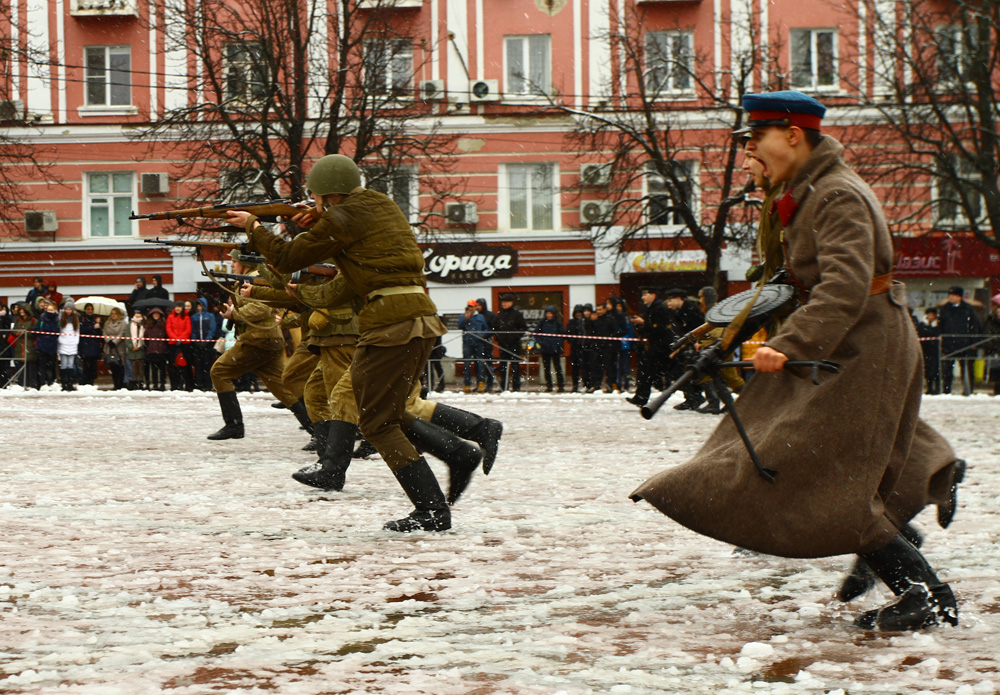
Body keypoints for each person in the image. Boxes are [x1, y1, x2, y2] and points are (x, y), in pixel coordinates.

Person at [631, 91, 964, 631]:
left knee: (824, 471)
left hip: (865, 346)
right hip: (846, 345)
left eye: (755, 140)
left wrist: (789, 345)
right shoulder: (808, 191)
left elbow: (846, 285)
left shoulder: (836, 195)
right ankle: (922, 581)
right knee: (824, 467)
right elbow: (795, 281)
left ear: (792, 134)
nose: (749, 153)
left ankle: (923, 594)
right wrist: (727, 326)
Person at [231, 153, 479, 532]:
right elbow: (345, 264)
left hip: (390, 324)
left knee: (377, 423)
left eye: (315, 197)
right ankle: (456, 451)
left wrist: (253, 225)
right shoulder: (380, 206)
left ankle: (433, 507)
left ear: (327, 194)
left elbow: (285, 256)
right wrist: (317, 227)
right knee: (384, 411)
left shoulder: (342, 217)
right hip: (417, 319)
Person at [205, 256, 307, 440]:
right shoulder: (250, 279)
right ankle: (319, 431)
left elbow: (263, 309)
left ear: (243, 262)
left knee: (219, 372)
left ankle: (234, 424)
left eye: (234, 261)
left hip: (258, 339)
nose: (232, 265)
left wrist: (234, 313)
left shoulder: (256, 279)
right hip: (266, 339)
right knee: (282, 388)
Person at [627, 287, 676, 407]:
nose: (642, 298)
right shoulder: (650, 308)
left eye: (645, 295)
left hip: (661, 346)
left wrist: (643, 323)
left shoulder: (659, 309)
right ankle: (640, 397)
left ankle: (693, 396)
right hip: (653, 345)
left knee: (669, 372)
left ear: (653, 295)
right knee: (644, 372)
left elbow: (659, 327)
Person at [663, 288, 705, 410]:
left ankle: (694, 398)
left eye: (670, 300)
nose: (668, 303)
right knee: (679, 372)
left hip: (692, 347)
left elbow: (698, 328)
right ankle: (691, 397)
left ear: (678, 298)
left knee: (689, 373)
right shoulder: (677, 311)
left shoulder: (691, 310)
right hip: (683, 346)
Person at [937, 286, 981, 396]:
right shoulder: (945, 309)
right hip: (949, 344)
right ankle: (946, 390)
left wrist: (973, 342)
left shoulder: (968, 309)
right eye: (950, 295)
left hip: (964, 344)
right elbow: (941, 326)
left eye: (953, 295)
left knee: (966, 368)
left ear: (959, 297)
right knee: (947, 369)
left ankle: (968, 390)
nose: (951, 297)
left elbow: (975, 326)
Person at [493, 293, 527, 392]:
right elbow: (495, 328)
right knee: (503, 366)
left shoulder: (517, 314)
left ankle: (516, 387)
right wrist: (499, 338)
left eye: (506, 302)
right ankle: (504, 387)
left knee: (515, 366)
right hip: (503, 344)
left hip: (514, 344)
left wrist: (514, 337)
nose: (504, 304)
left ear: (511, 303)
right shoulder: (500, 315)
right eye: (503, 302)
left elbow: (523, 328)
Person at [459, 299, 492, 393]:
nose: (470, 308)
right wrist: (465, 319)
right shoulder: (463, 316)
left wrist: (482, 335)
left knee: (480, 363)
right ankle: (467, 384)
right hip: (467, 343)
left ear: (475, 307)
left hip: (478, 343)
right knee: (467, 364)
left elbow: (486, 329)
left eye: (472, 306)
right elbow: (460, 326)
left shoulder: (480, 317)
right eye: (469, 306)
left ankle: (481, 383)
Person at [533, 306, 565, 392]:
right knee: (546, 368)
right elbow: (536, 333)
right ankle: (549, 385)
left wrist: (558, 344)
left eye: (550, 313)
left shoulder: (558, 323)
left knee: (558, 367)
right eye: (547, 313)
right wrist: (541, 343)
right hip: (545, 348)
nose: (548, 315)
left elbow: (562, 335)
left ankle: (561, 385)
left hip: (555, 348)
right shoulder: (542, 323)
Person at [189, 297, 218, 390]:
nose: (199, 307)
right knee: (198, 364)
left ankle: (208, 384)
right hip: (197, 344)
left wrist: (207, 339)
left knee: (207, 364)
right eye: (198, 306)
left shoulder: (210, 316)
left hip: (207, 344)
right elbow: (192, 330)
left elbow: (212, 329)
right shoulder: (194, 317)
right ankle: (199, 384)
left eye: (201, 305)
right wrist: (195, 340)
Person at [165, 301, 193, 391]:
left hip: (184, 344)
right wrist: (176, 339)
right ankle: (175, 385)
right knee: (173, 364)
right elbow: (168, 329)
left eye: (179, 307)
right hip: (173, 344)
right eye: (176, 307)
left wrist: (181, 339)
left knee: (186, 364)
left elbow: (188, 330)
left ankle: (188, 385)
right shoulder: (170, 317)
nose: (177, 309)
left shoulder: (187, 317)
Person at [11, 304, 39, 389]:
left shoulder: (33, 320)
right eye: (20, 310)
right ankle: (22, 384)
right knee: (20, 367)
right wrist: (17, 333)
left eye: (23, 310)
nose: (21, 311)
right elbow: (13, 331)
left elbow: (36, 332)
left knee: (31, 367)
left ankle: (32, 384)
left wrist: (27, 332)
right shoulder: (17, 320)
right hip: (20, 346)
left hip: (30, 345)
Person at [35, 300, 60, 387]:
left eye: (51, 310)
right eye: (48, 310)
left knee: (51, 365)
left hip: (52, 346)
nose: (50, 312)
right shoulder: (42, 318)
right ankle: (42, 382)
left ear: (55, 310)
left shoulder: (57, 319)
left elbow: (58, 331)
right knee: (42, 365)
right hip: (42, 346)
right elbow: (36, 329)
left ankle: (51, 382)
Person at [102, 307, 128, 390]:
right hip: (109, 347)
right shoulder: (107, 323)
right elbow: (104, 332)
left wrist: (115, 341)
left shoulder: (123, 323)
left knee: (120, 366)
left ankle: (120, 383)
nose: (113, 315)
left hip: (119, 347)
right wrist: (109, 341)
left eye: (115, 313)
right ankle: (115, 383)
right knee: (113, 366)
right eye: (112, 313)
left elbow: (122, 333)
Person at [57, 299, 80, 391]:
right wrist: (61, 340)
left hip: (72, 344)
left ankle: (70, 383)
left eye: (70, 309)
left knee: (70, 365)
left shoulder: (75, 319)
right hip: (63, 343)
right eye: (66, 309)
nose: (68, 311)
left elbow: (77, 332)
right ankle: (64, 384)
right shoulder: (61, 318)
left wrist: (75, 341)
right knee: (64, 364)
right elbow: (59, 332)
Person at [78, 303, 103, 386]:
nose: (90, 311)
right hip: (85, 345)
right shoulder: (82, 319)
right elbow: (81, 330)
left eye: (91, 309)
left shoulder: (95, 319)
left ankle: (91, 382)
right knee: (86, 365)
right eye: (88, 309)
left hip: (94, 345)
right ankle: (85, 382)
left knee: (93, 366)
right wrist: (93, 326)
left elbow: (100, 333)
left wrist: (99, 324)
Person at [144, 307, 169, 390]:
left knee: (162, 369)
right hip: (152, 350)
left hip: (162, 350)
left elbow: (166, 336)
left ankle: (162, 384)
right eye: (154, 314)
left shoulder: (164, 324)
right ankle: (155, 384)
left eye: (157, 314)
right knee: (154, 369)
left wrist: (164, 345)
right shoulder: (148, 325)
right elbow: (146, 337)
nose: (156, 315)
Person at [565, 305, 587, 392]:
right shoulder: (571, 322)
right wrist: (573, 341)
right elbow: (568, 334)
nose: (578, 314)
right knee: (575, 369)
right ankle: (575, 386)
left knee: (585, 368)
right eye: (577, 313)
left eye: (580, 312)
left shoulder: (585, 322)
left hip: (584, 348)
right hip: (574, 348)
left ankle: (586, 384)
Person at [919, 308, 942, 394]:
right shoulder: (922, 324)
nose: (930, 317)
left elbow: (937, 333)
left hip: (936, 350)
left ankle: (937, 387)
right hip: (926, 349)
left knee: (936, 369)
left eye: (932, 315)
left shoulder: (938, 324)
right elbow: (922, 333)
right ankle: (929, 387)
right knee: (928, 369)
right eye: (929, 315)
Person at [126, 307, 147, 390]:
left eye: (139, 315)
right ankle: (134, 382)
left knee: (141, 367)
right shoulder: (130, 324)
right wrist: (131, 346)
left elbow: (146, 336)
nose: (137, 316)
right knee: (133, 367)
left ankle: (141, 382)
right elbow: (127, 336)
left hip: (141, 349)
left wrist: (140, 346)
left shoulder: (144, 324)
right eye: (136, 314)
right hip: (132, 350)